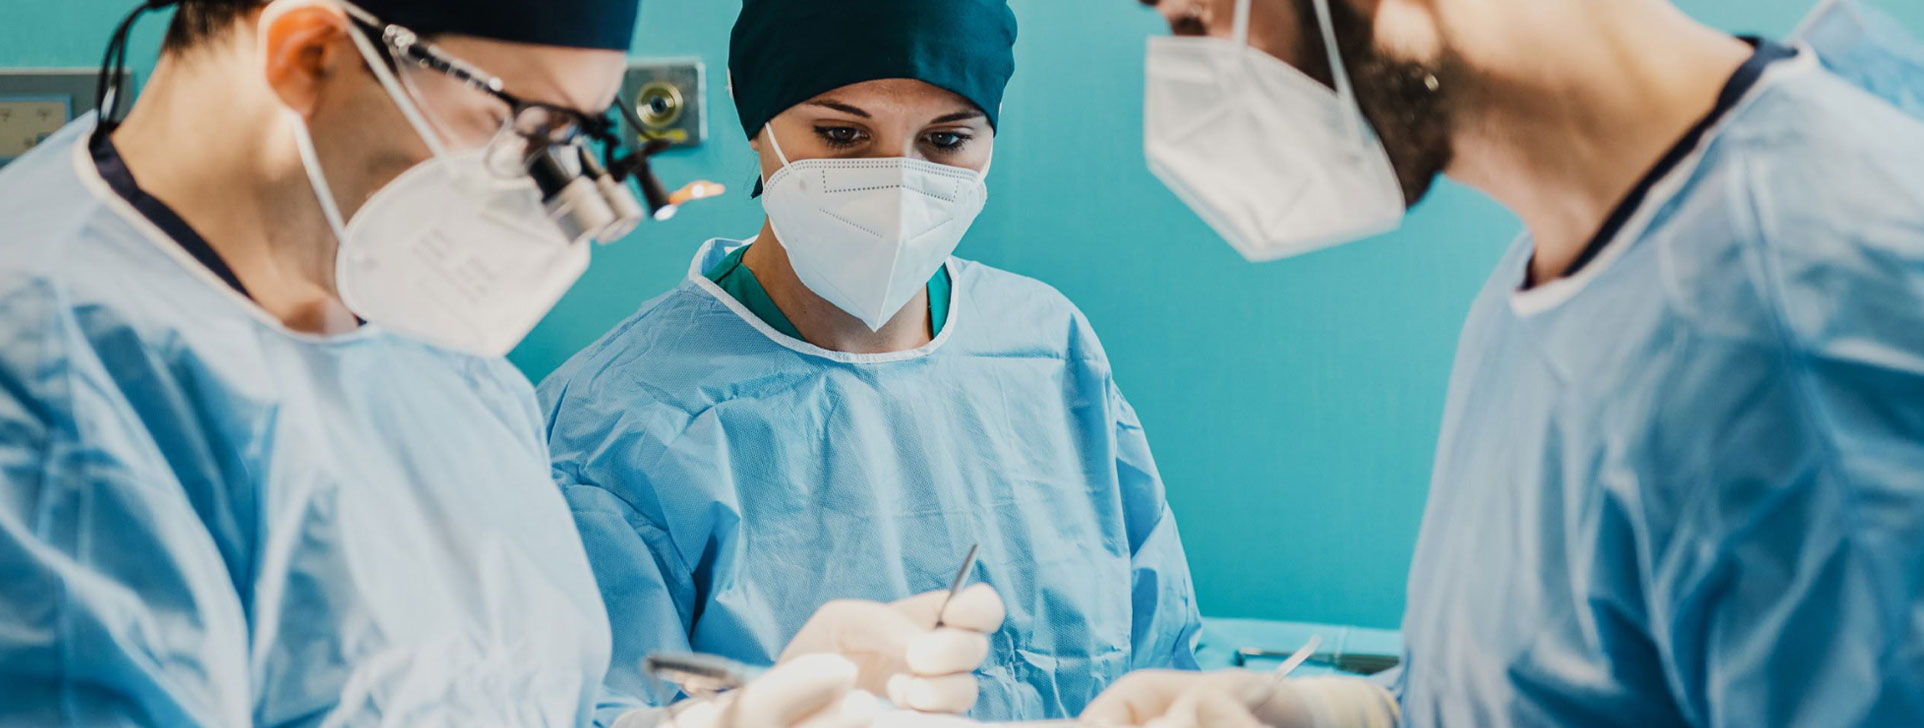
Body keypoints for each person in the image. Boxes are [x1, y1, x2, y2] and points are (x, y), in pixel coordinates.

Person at [0, 0, 1000, 725]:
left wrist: (749, 700)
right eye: (526, 131)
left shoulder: (427, 322)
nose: (553, 199)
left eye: (581, 139)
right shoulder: (48, 364)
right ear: (308, 53)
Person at [1081, 0, 1924, 725]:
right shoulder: (1545, 281)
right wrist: (1351, 714)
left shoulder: (1807, 326)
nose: (1191, 72)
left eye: (1196, 15)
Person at [539, 0, 1205, 722]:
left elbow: (1159, 662)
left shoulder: (1047, 350)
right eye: (841, 133)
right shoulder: (616, 423)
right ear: (754, 115)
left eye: (946, 140)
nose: (896, 182)